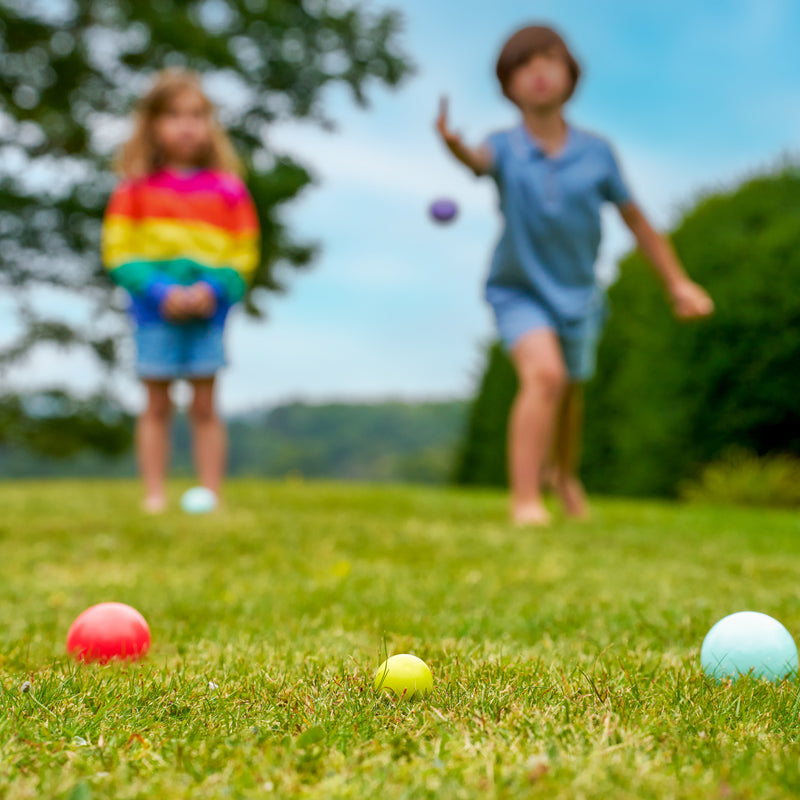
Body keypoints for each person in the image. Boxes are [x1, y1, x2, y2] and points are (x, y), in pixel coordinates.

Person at [436, 25, 713, 526]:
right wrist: (454, 146)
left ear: (571, 74)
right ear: (507, 85)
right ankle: (525, 501)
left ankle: (562, 474)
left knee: (568, 394)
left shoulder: (597, 153)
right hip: (518, 289)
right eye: (523, 65)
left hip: (579, 295)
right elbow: (477, 162)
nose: (538, 71)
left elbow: (637, 221)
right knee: (545, 376)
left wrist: (678, 282)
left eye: (548, 59)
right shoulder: (503, 147)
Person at [102, 69, 260, 512]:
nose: (187, 125)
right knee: (156, 404)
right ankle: (154, 495)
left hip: (209, 312)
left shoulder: (228, 189)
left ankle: (212, 492)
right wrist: (159, 290)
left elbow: (244, 253)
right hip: (154, 312)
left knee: (205, 405)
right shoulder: (134, 189)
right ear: (152, 123)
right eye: (173, 115)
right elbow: (118, 252)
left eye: (196, 115)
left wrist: (214, 289)